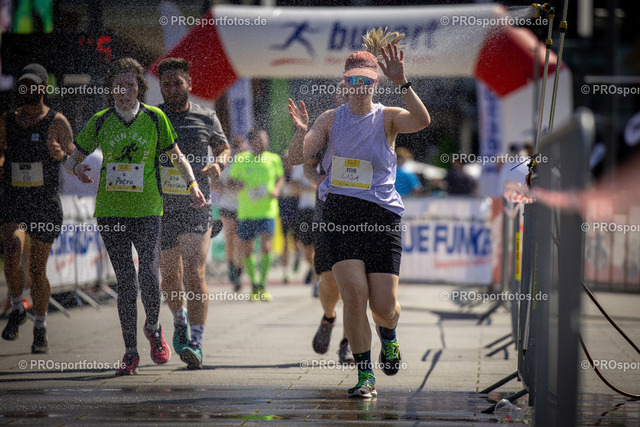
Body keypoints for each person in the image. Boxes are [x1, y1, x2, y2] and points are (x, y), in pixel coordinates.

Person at [288, 29, 431, 398]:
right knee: (354, 296)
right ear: (344, 82)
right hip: (340, 214)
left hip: (382, 218)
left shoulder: (388, 118)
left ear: (375, 83)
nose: (358, 87)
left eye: (365, 81)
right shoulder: (330, 119)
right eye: (352, 80)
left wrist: (403, 82)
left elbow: (422, 120)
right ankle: (365, 376)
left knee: (384, 307)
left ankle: (389, 335)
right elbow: (301, 158)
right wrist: (301, 133)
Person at [64, 57, 206, 375]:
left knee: (149, 277)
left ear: (139, 88)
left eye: (129, 85)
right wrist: (76, 169)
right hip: (111, 212)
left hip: (147, 210)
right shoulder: (100, 121)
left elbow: (177, 156)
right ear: (111, 89)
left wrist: (193, 185)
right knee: (126, 283)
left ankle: (153, 328)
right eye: (118, 86)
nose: (124, 92)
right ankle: (130, 353)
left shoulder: (155, 118)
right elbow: (72, 158)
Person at [156, 58, 230, 369]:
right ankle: (180, 320)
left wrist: (219, 164)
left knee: (194, 272)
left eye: (178, 83)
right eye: (167, 84)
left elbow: (224, 148)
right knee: (170, 277)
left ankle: (197, 342)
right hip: (161, 208)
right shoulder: (154, 117)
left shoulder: (206, 116)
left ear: (189, 84)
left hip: (197, 204)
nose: (172, 88)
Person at [0, 63, 75, 353]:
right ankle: (17, 307)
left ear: (44, 87)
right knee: (11, 248)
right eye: (24, 84)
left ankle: (40, 327)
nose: (28, 89)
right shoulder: (8, 119)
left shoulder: (57, 121)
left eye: (33, 84)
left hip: (43, 202)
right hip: (14, 198)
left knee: (36, 269)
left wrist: (63, 157)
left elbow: (74, 158)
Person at [304, 80, 354, 365]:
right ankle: (329, 317)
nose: (349, 97)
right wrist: (320, 179)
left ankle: (349, 343)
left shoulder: (375, 124)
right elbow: (307, 167)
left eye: (354, 91)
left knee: (356, 283)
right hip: (327, 210)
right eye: (343, 93)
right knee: (330, 279)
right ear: (336, 99)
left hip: (362, 213)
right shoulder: (326, 125)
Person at [227, 128, 285, 301]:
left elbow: (280, 178)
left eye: (266, 139)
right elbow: (230, 181)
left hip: (268, 210)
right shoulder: (241, 159)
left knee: (266, 247)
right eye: (260, 139)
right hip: (246, 212)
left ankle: (262, 285)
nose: (265, 142)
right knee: (247, 250)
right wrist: (237, 185)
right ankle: (254, 284)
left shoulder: (274, 159)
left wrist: (277, 189)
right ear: (251, 142)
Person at [212, 135, 247, 292]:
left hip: (245, 207)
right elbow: (214, 185)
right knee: (230, 239)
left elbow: (246, 185)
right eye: (236, 146)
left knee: (241, 241)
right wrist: (230, 187)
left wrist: (233, 186)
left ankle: (239, 268)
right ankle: (232, 268)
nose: (238, 149)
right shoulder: (226, 164)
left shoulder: (249, 163)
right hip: (227, 206)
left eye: (241, 145)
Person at [278, 154, 301, 284]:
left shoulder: (296, 175)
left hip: (296, 211)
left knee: (297, 241)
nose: (288, 164)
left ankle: (298, 256)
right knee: (285, 241)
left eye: (290, 162)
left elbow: (299, 191)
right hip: (284, 212)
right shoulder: (280, 175)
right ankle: (285, 271)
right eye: (285, 162)